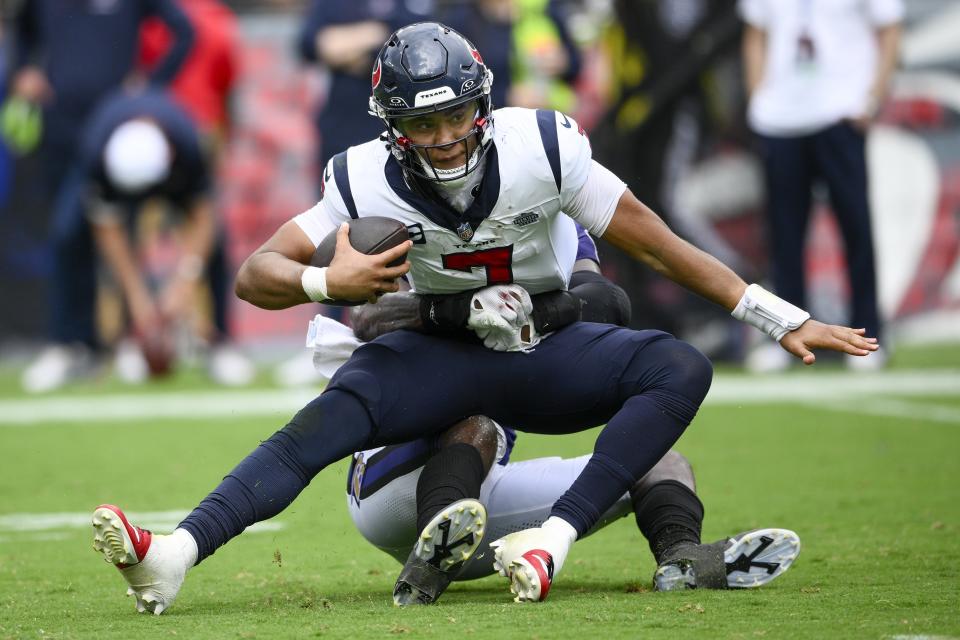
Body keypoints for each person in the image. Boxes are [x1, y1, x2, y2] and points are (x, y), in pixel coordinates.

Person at [90, 22, 877, 614]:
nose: (442, 140)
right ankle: (177, 551)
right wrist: (327, 278)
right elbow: (256, 273)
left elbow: (659, 248)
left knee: (676, 367)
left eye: (456, 117)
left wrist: (778, 318)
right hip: (433, 371)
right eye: (422, 127)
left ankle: (559, 538)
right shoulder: (364, 183)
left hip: (530, 365)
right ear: (390, 127)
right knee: (331, 418)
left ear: (484, 104)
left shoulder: (547, 152)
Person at [334, 263, 797, 606]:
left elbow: (605, 299)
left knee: (659, 459)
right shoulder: (423, 210)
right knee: (475, 423)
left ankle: (682, 559)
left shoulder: (550, 204)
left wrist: (547, 309)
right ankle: (429, 555)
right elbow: (370, 317)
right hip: (392, 481)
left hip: (477, 504)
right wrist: (458, 311)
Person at [14, 0, 194, 392]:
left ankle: (132, 338)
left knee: (124, 237)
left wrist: (151, 85)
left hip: (119, 131)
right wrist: (24, 69)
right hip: (60, 129)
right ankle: (72, 344)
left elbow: (183, 30)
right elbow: (23, 30)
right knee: (66, 238)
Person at [739, 0, 902, 372]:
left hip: (840, 111)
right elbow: (755, 33)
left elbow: (890, 28)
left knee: (855, 226)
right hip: (780, 118)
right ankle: (785, 336)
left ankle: (868, 337)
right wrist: (757, 98)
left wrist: (873, 96)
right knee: (784, 235)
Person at [74, 89, 251, 384]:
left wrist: (184, 281)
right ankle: (118, 340)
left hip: (174, 174)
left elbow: (203, 217)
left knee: (216, 247)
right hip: (116, 177)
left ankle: (220, 343)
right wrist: (137, 297)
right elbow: (108, 229)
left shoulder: (187, 141)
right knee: (72, 235)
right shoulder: (94, 150)